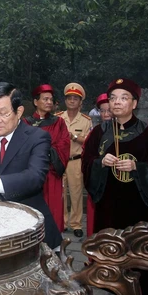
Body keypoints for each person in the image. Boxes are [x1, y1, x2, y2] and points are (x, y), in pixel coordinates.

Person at [82, 78, 148, 295]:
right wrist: (100, 162)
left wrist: (138, 168)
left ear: (134, 103)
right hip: (108, 207)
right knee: (112, 250)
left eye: (123, 98)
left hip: (137, 206)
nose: (116, 102)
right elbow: (86, 163)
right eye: (113, 98)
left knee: (140, 250)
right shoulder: (99, 133)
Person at [0, 82, 62, 250]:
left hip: (30, 227)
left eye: (3, 114)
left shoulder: (37, 137)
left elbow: (34, 177)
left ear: (19, 112)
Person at [24, 84, 70, 232]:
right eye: (45, 99)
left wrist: (46, 152)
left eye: (51, 99)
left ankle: (55, 244)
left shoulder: (59, 123)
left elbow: (64, 144)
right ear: (36, 102)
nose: (49, 102)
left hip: (51, 173)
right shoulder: (25, 123)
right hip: (31, 173)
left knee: (53, 208)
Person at [58, 83, 92, 238]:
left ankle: (76, 224)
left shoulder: (86, 120)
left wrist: (75, 137)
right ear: (65, 100)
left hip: (75, 161)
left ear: (81, 102)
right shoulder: (58, 118)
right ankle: (62, 222)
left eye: (75, 99)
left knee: (76, 193)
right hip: (59, 160)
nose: (72, 101)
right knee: (61, 193)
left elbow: (89, 142)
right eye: (69, 98)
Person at [85, 93, 112, 237]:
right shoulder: (96, 132)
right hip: (98, 181)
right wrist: (99, 162)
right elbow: (87, 157)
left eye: (109, 110)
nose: (106, 114)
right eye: (103, 111)